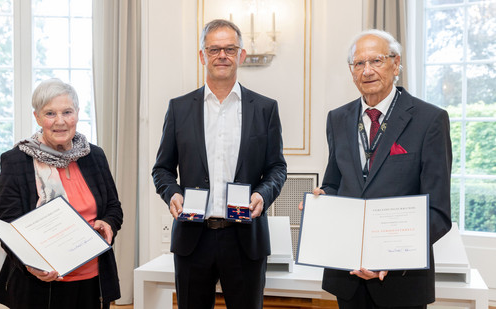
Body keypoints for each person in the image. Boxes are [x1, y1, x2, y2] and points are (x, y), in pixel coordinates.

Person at [301, 29, 452, 308]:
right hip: (346, 275)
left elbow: (438, 212)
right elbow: (335, 182)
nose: (367, 70)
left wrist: (390, 255)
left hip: (401, 282)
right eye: (359, 63)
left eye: (377, 61)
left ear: (396, 64)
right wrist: (322, 202)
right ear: (351, 70)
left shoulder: (430, 120)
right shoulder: (337, 118)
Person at [152, 19, 287, 309]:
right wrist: (171, 193)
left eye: (229, 49)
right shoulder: (180, 108)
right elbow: (162, 168)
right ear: (202, 56)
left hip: (245, 239)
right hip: (193, 238)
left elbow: (277, 167)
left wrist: (263, 194)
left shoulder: (265, 109)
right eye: (214, 49)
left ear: (242, 55)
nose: (221, 56)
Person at [0, 78, 123, 309]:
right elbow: (7, 226)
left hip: (93, 280)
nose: (60, 121)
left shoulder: (95, 156)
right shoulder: (16, 161)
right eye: (50, 113)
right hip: (39, 283)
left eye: (67, 112)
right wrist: (29, 264)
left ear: (78, 114)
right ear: (37, 117)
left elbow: (113, 207)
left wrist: (108, 223)